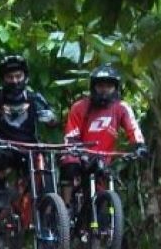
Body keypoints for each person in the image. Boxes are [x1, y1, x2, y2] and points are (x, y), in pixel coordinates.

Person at [61, 64, 147, 204]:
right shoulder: (79, 107)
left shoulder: (122, 108)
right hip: (79, 154)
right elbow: (71, 135)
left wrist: (139, 146)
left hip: (103, 159)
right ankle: (64, 212)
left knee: (101, 196)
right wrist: (78, 152)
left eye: (109, 86)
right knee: (69, 167)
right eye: (100, 86)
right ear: (93, 87)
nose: (104, 90)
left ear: (115, 88)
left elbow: (133, 129)